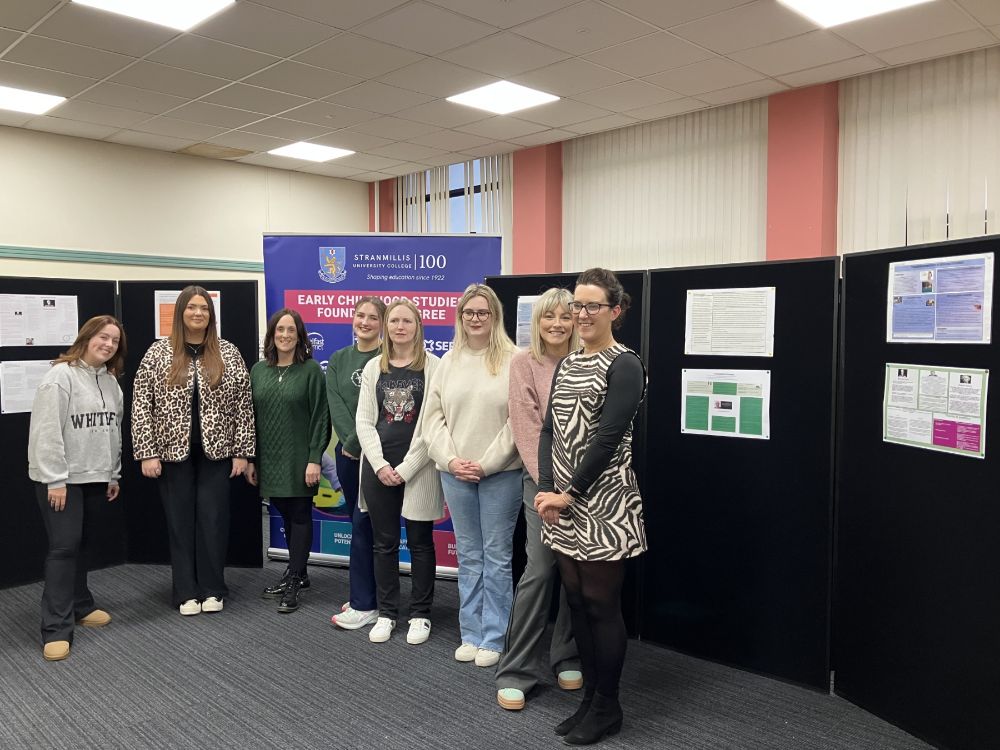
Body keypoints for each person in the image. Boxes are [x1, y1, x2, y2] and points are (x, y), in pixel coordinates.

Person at [535, 268, 646, 746]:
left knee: (602, 605)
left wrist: (569, 493)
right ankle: (589, 698)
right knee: (576, 601)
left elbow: (607, 439)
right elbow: (547, 431)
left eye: (591, 306)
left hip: (604, 504)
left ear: (615, 311)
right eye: (576, 306)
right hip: (560, 504)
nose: (580, 315)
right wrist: (545, 490)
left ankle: (608, 705)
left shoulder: (625, 364)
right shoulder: (567, 362)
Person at [132, 285, 254, 616]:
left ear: (211, 315)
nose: (198, 313)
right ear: (181, 313)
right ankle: (186, 591)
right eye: (191, 308)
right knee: (179, 522)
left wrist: (243, 452)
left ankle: (213, 588)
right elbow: (142, 404)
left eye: (204, 308)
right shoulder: (158, 353)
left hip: (218, 453)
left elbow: (243, 405)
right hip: (171, 453)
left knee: (214, 521)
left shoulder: (228, 353)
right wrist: (147, 451)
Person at [423, 284, 522, 668]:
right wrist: (451, 460)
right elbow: (433, 421)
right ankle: (472, 632)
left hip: (500, 475)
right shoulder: (448, 362)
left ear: (494, 316)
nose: (476, 319)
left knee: (497, 556)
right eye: (469, 313)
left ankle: (495, 636)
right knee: (469, 554)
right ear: (460, 317)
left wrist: (488, 462)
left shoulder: (516, 360)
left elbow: (520, 422)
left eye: (483, 312)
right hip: (456, 474)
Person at [496, 288, 582, 711]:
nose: (557, 325)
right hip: (542, 484)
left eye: (565, 317)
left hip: (585, 486)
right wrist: (548, 486)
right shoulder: (524, 364)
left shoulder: (588, 362)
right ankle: (516, 670)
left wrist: (578, 484)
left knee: (577, 571)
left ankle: (565, 654)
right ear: (538, 321)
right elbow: (527, 428)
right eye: (549, 317)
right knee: (541, 568)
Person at [27, 315, 126, 661]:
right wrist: (55, 478)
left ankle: (81, 606)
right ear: (86, 337)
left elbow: (114, 431)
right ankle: (55, 627)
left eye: (114, 340)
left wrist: (113, 474)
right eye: (103, 337)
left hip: (96, 478)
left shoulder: (112, 383)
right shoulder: (60, 377)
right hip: (63, 481)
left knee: (83, 544)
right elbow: (47, 431)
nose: (109, 344)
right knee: (64, 548)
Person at [355, 299, 442, 644]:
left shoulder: (433, 367)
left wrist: (405, 468)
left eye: (407, 320)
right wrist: (380, 464)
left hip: (418, 469)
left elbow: (433, 424)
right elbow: (364, 421)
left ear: (418, 326)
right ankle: (388, 613)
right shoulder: (375, 367)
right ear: (386, 327)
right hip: (378, 469)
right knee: (384, 544)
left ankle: (420, 614)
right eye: (394, 321)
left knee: (420, 543)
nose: (400, 326)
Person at [248, 308, 330, 613]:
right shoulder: (258, 370)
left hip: (299, 458)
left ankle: (294, 578)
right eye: (279, 330)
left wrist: (314, 459)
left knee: (299, 514)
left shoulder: (310, 371)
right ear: (271, 335)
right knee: (282, 511)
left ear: (299, 336)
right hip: (268, 457)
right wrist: (251, 459)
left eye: (290, 331)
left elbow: (321, 416)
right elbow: (249, 418)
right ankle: (302, 570)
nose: (284, 335)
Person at [327, 296, 386, 631]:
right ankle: (366, 594)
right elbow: (335, 403)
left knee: (367, 525)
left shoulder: (388, 359)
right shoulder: (339, 358)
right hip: (349, 458)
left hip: (375, 457)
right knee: (358, 522)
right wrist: (349, 445)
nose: (364, 322)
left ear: (382, 324)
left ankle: (366, 604)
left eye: (372, 317)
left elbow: (383, 412)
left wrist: (356, 444)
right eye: (360, 315)